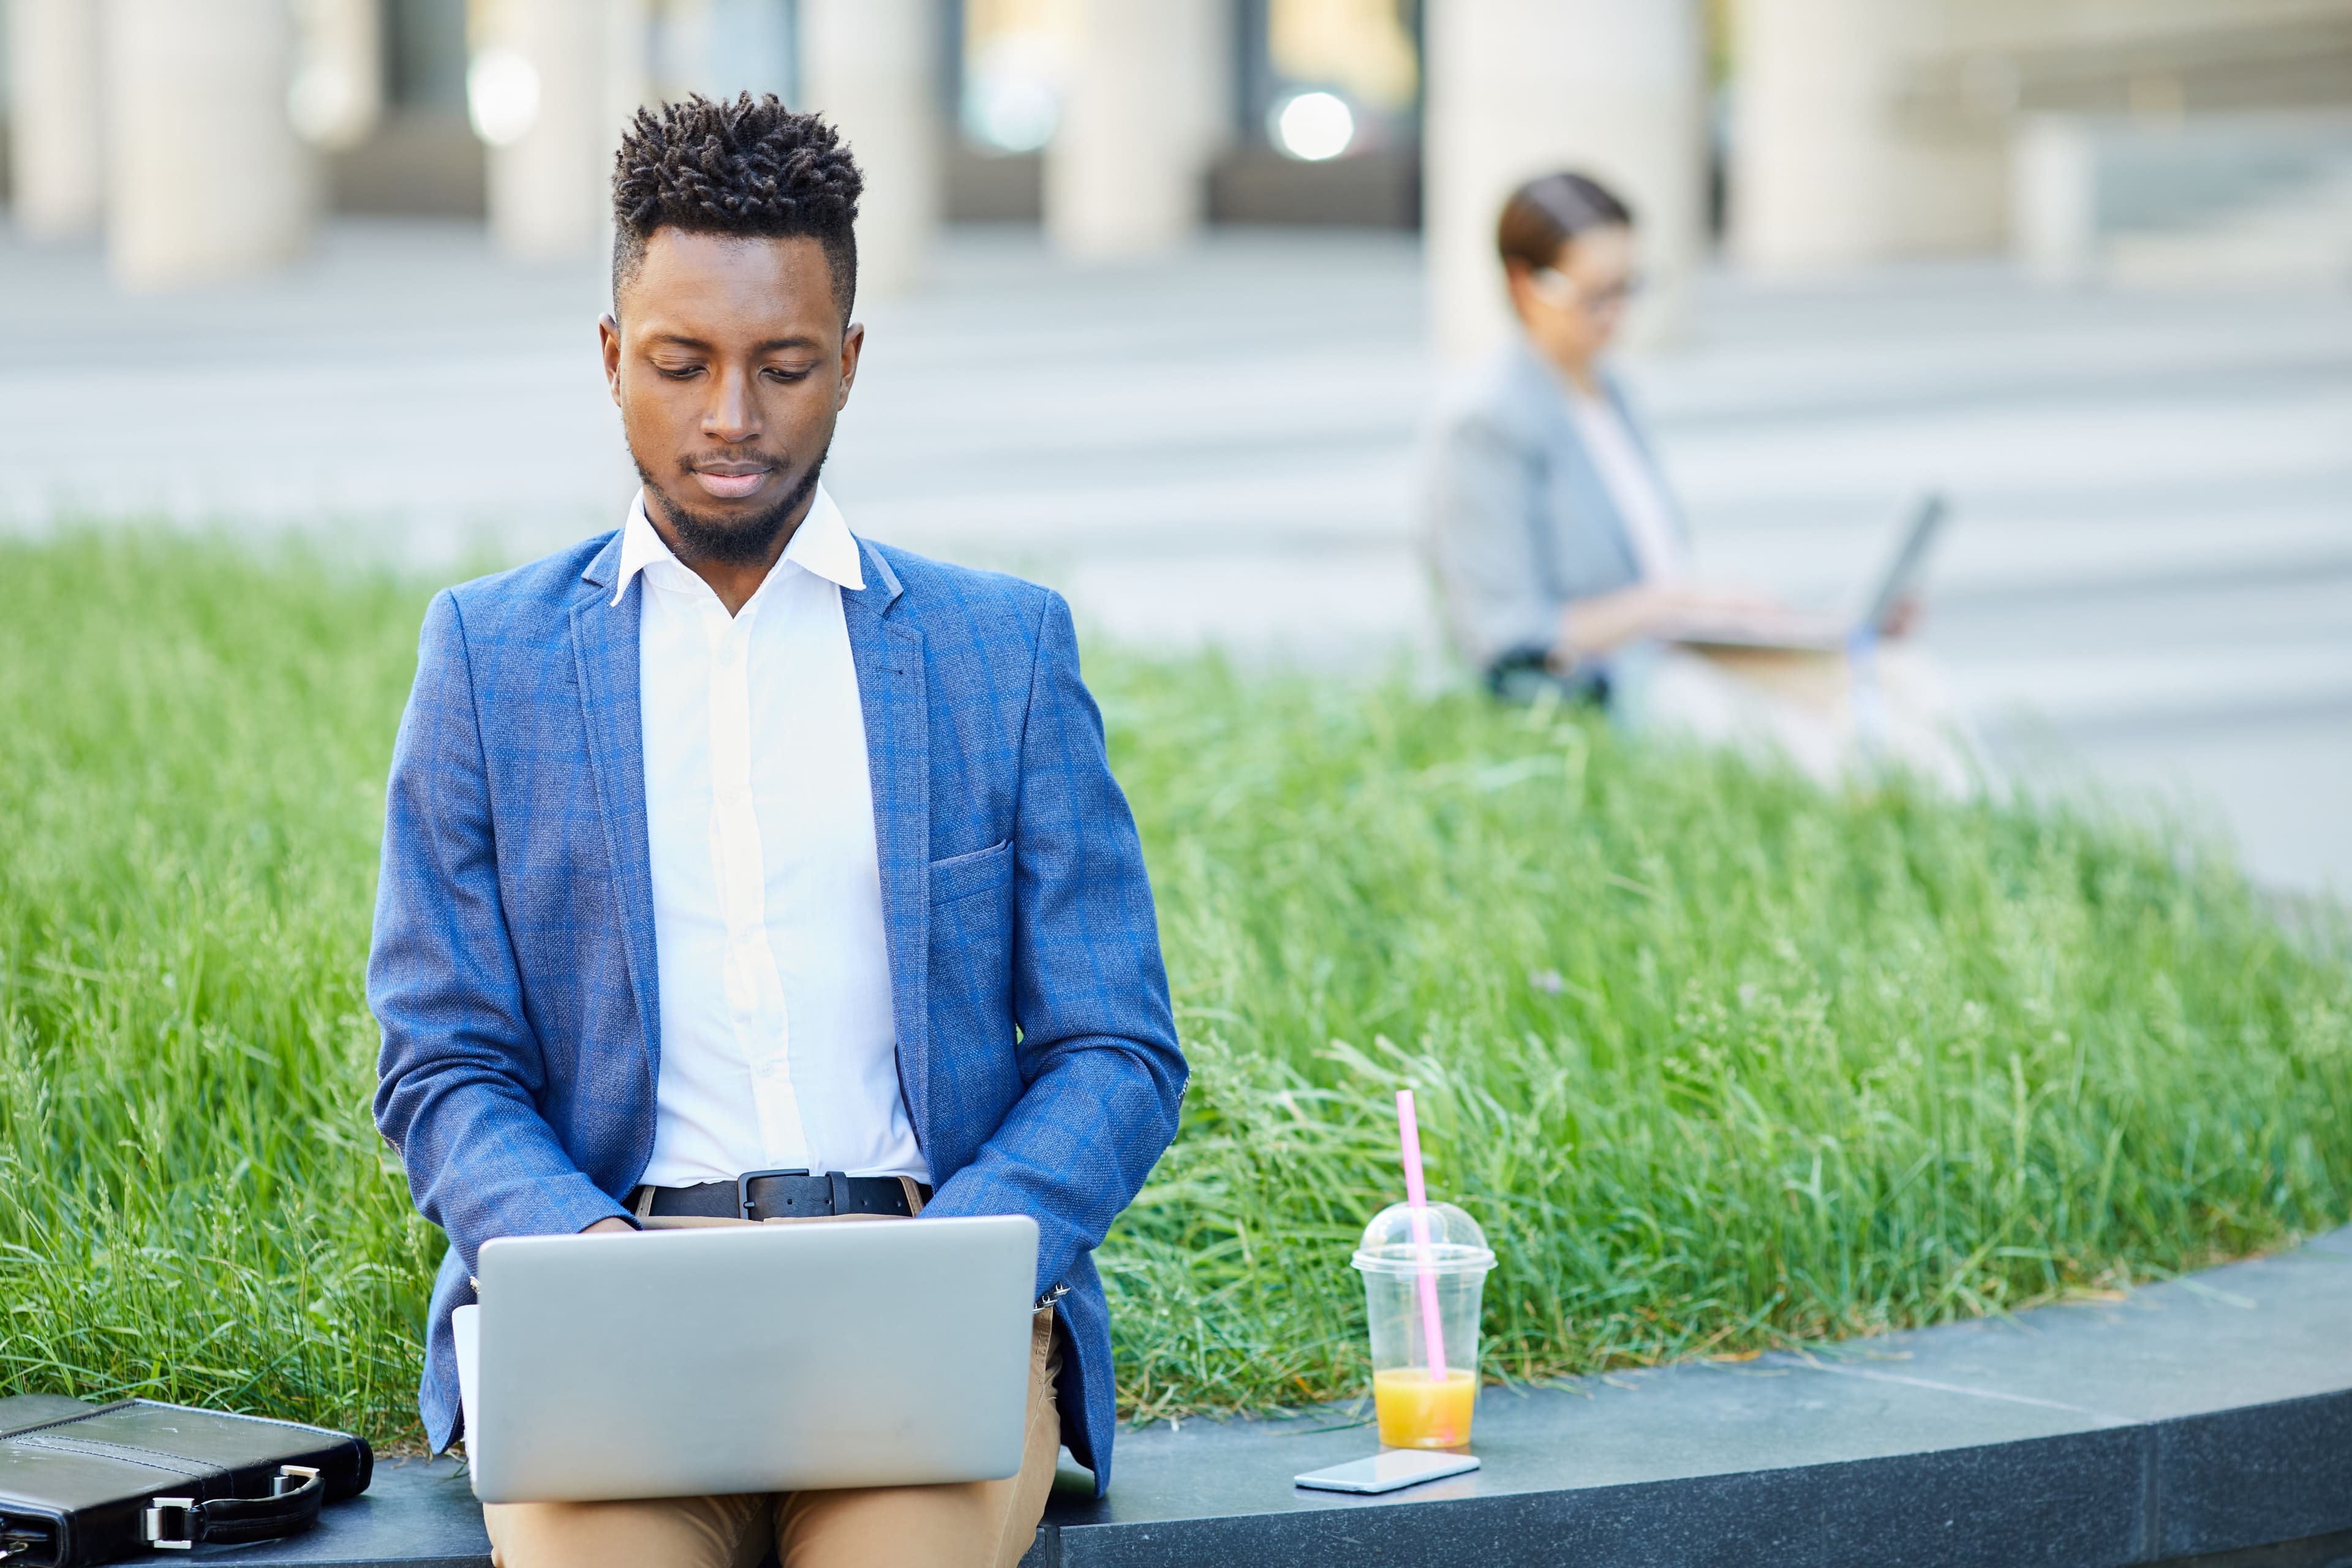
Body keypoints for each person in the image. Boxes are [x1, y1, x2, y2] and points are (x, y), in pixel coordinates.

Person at [367, 94, 1185, 1568]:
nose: (730, 416)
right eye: (680, 364)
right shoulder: (488, 659)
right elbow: (440, 1060)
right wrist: (581, 1256)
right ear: (613, 357)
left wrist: (965, 1260)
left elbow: (1115, 1047)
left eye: (783, 365)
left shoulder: (998, 652)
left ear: (851, 364)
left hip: (917, 1278)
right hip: (609, 1284)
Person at [1420, 172, 1969, 787]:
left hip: (1678, 646)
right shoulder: (1489, 419)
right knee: (1829, 739)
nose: (1616, 316)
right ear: (1526, 285)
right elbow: (1511, 634)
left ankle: (1979, 842)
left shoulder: (1610, 394)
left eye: (1628, 288)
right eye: (1594, 295)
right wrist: (1675, 602)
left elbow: (1654, 574)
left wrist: (1748, 619)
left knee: (1902, 676)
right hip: (1607, 680)